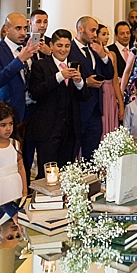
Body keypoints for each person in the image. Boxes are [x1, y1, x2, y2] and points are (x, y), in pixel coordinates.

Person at [30, 28, 90, 173]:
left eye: (67, 46)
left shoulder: (77, 65)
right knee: (47, 173)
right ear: (51, 46)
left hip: (70, 129)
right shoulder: (40, 66)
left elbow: (85, 97)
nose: (63, 50)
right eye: (59, 45)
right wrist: (59, 76)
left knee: (65, 171)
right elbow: (35, 92)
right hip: (48, 129)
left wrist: (79, 82)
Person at [69, 16, 113, 160]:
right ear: (80, 29)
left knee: (92, 153)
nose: (95, 34)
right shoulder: (69, 49)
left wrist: (103, 55)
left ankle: (91, 180)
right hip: (76, 109)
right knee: (71, 151)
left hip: (95, 109)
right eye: (92, 30)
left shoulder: (95, 49)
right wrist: (84, 82)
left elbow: (109, 74)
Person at [0, 12, 41, 125]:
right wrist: (19, 60)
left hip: (34, 110)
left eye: (25, 28)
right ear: (6, 29)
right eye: (18, 28)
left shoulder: (28, 47)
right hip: (10, 111)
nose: (23, 33)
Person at [97, 24, 124, 135]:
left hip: (111, 93)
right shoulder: (92, 54)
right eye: (103, 34)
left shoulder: (112, 54)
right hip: (99, 93)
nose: (107, 37)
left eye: (108, 34)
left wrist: (121, 104)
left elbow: (115, 81)